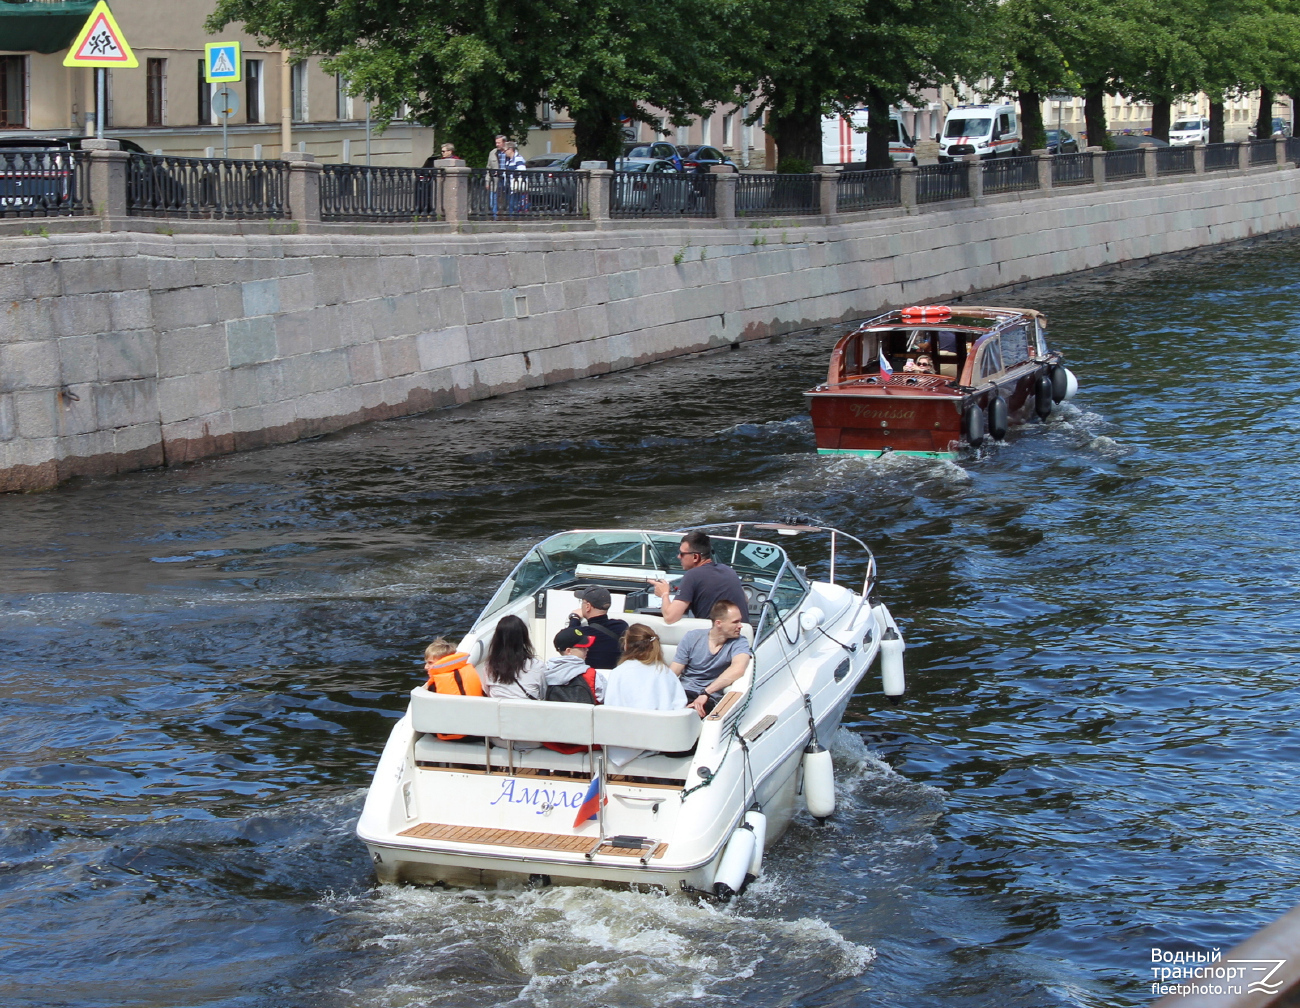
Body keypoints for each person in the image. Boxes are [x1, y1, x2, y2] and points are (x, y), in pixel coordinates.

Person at [603, 624, 688, 766]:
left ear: (626, 645)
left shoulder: (619, 672)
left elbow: (611, 708)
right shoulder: (665, 672)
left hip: (624, 743)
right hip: (660, 741)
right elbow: (679, 706)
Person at [649, 530, 749, 625]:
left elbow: (670, 618)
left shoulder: (692, 575)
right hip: (742, 634)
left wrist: (664, 594)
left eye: (682, 553)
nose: (678, 557)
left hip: (717, 638)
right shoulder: (729, 571)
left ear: (696, 557)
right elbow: (745, 600)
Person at [671, 601, 752, 716]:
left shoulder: (739, 642)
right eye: (735, 622)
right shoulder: (692, 637)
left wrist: (706, 693)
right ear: (719, 623)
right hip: (682, 692)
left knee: (690, 714)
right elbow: (674, 671)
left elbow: (738, 669)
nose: (740, 626)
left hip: (709, 696)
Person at [479, 614, 545, 700]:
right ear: (524, 638)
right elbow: (543, 696)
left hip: (499, 712)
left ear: (497, 640)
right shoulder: (537, 666)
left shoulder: (489, 667)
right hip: (528, 711)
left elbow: (488, 693)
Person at [567, 586, 628, 669]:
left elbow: (566, 637)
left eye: (582, 602)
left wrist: (574, 617)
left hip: (592, 678)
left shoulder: (583, 632)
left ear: (588, 606)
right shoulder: (622, 626)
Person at [543, 626, 608, 703]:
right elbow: (606, 700)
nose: (587, 649)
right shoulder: (593, 675)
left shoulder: (546, 672)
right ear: (569, 651)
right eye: (583, 647)